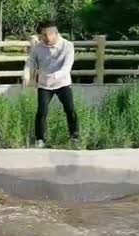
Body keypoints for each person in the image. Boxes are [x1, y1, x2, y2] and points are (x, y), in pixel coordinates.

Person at [24, 21, 79, 149]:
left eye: (50, 34)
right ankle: (40, 140)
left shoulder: (67, 46)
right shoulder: (38, 47)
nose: (47, 38)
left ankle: (75, 137)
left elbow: (67, 67)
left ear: (56, 33)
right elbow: (31, 61)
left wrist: (56, 76)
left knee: (70, 110)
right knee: (41, 112)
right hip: (45, 84)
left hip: (63, 83)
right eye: (44, 35)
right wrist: (26, 73)